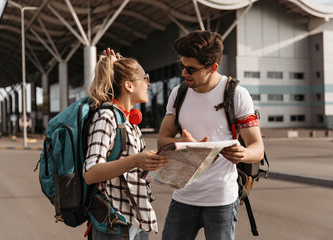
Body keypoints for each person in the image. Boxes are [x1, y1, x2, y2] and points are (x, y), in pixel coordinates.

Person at [158, 30, 264, 240]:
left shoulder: (236, 94)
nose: (184, 73)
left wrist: (241, 154)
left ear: (213, 67)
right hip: (183, 197)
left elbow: (257, 148)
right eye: (182, 66)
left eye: (191, 69)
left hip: (221, 200)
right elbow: (163, 140)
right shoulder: (178, 93)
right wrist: (183, 144)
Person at [83, 51, 168, 240]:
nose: (149, 84)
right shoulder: (106, 117)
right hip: (115, 222)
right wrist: (136, 160)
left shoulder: (128, 121)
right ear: (128, 85)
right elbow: (91, 173)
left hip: (136, 218)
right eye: (145, 78)